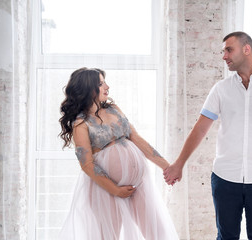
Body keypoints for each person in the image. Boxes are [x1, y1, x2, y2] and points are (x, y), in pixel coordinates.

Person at [164, 31, 252, 240]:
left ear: (247, 49)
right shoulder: (220, 89)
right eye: (223, 51)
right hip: (225, 179)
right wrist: (179, 163)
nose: (224, 56)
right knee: (226, 237)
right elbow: (200, 128)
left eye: (228, 50)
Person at [58, 67, 179, 240]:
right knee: (109, 236)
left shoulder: (114, 109)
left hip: (138, 184)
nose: (107, 86)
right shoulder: (81, 123)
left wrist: (167, 167)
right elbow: (86, 164)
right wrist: (115, 190)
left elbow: (136, 138)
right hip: (106, 190)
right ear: (88, 88)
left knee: (156, 232)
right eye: (101, 83)